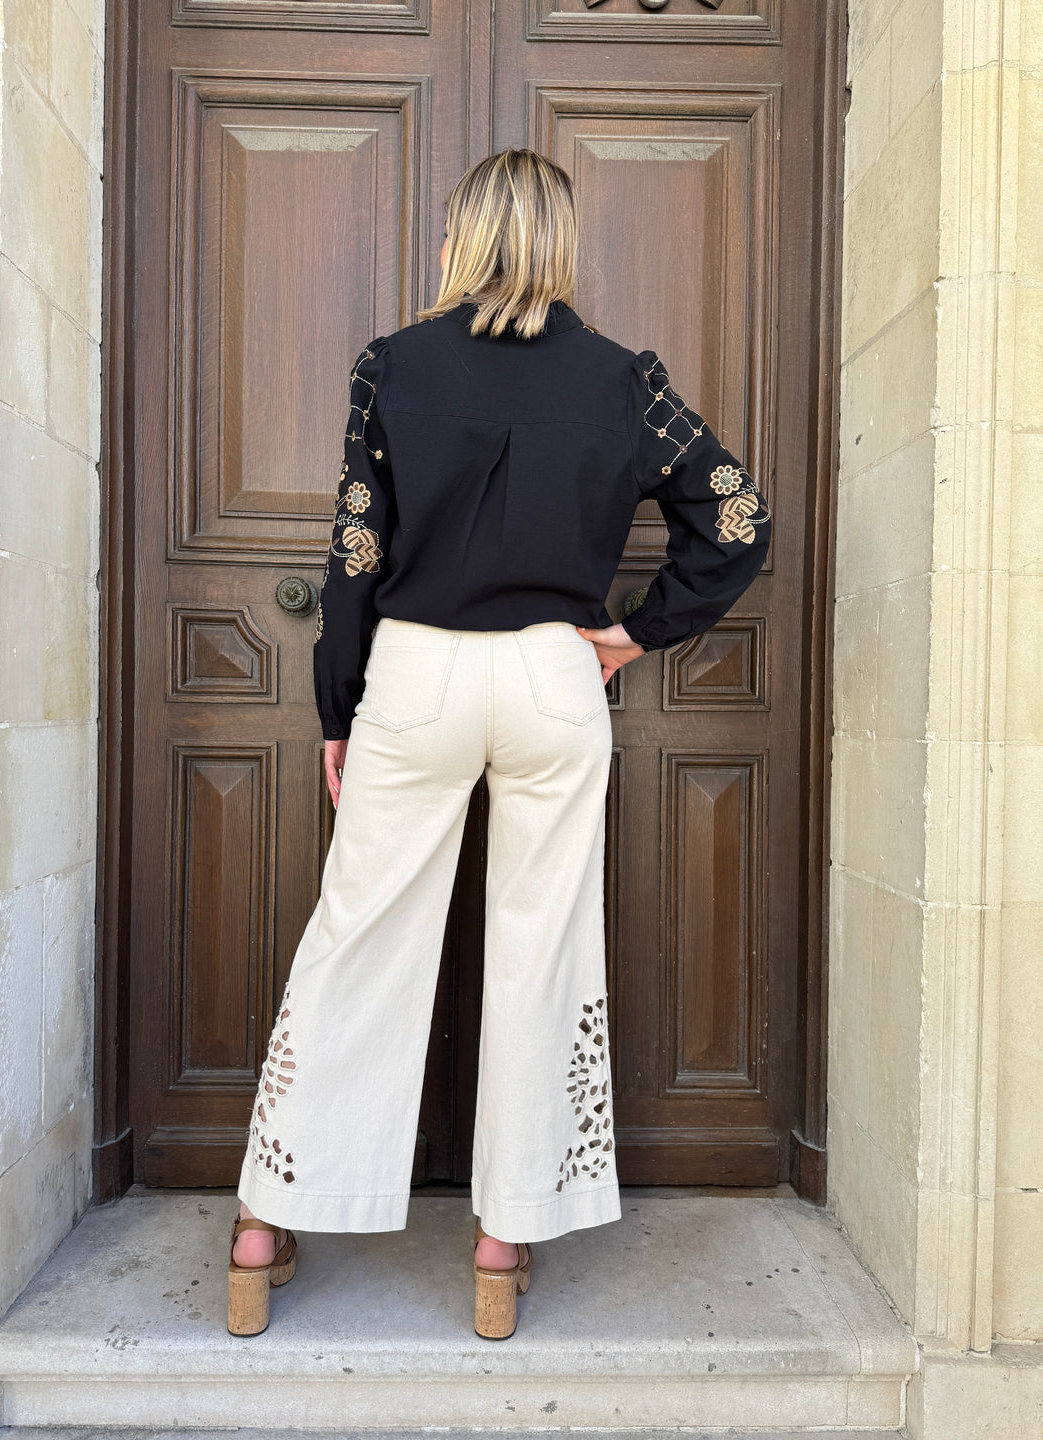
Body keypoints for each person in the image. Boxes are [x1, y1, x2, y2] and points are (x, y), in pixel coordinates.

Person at [226, 148, 771, 1341]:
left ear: (464, 240)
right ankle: (501, 1240)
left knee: (359, 935)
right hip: (550, 677)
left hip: (416, 676)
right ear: (558, 244)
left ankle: (265, 1224)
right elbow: (739, 516)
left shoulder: (392, 365)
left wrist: (338, 710)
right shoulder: (624, 381)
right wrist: (635, 633)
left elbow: (355, 552)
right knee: (542, 947)